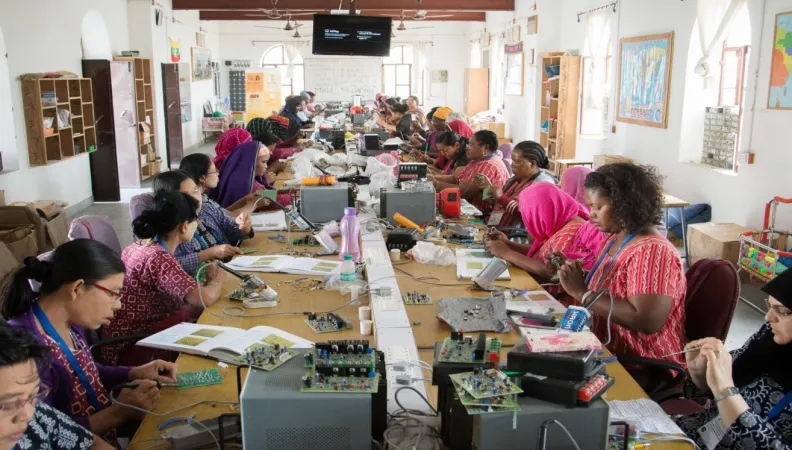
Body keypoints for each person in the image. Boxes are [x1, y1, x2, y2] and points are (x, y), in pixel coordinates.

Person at [2, 240, 177, 446]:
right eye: (113, 294)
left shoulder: (71, 321)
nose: (118, 305)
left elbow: (86, 371)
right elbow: (48, 436)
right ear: (77, 288)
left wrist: (132, 372)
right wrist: (118, 414)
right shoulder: (25, 353)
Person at [556, 163, 687, 377]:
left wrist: (582, 293)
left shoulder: (653, 251)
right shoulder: (616, 239)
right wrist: (572, 274)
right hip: (603, 348)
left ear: (625, 205)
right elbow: (612, 289)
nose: (591, 215)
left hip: (640, 365)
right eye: (590, 206)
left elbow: (647, 321)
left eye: (598, 207)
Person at [102, 192, 227, 366]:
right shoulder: (159, 257)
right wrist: (216, 280)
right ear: (184, 226)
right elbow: (204, 298)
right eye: (195, 220)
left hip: (119, 339)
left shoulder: (138, 246)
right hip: (133, 345)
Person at [674, 269, 792, 450]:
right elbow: (715, 396)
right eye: (769, 306)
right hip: (702, 435)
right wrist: (700, 373)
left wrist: (725, 389)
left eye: (782, 312)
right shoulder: (769, 336)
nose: (768, 318)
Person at [0, 324, 114, 450]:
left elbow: (90, 444)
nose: (29, 415)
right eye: (7, 405)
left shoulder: (39, 414)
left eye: (33, 395)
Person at [485, 183, 606, 283]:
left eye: (528, 216)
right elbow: (542, 253)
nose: (527, 221)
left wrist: (506, 252)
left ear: (542, 211)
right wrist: (508, 244)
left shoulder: (571, 232)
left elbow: (548, 270)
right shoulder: (562, 222)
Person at [154, 171, 244, 276]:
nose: (196, 198)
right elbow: (166, 267)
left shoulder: (206, 208)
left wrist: (242, 227)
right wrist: (208, 254)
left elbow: (230, 225)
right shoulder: (167, 226)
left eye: (196, 190)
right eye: (186, 195)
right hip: (199, 282)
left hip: (226, 271)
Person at [477, 141, 557, 228]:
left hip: (514, 236)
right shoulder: (516, 179)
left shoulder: (542, 184)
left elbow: (529, 215)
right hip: (495, 228)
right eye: (512, 160)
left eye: (517, 161)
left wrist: (501, 197)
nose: (512, 165)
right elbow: (498, 204)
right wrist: (488, 189)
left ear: (533, 164)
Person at [179, 153, 257, 239]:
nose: (218, 173)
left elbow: (221, 213)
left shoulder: (204, 197)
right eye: (215, 171)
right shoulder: (200, 203)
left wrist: (244, 200)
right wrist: (255, 203)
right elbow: (231, 216)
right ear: (202, 178)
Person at [432, 129, 509, 212]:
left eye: (471, 144)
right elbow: (455, 178)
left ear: (486, 147)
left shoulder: (488, 165)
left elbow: (464, 192)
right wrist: (432, 178)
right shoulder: (477, 160)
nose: (467, 147)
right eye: (468, 143)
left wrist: (435, 184)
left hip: (480, 214)